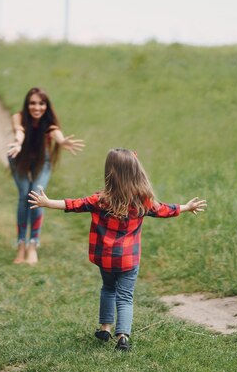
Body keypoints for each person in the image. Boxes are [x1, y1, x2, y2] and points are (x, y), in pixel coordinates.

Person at [28, 148, 207, 351]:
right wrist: (186, 207)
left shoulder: (101, 200)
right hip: (128, 260)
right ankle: (122, 336)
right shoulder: (143, 201)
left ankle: (105, 328)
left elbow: (73, 204)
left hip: (105, 258)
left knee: (108, 289)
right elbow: (165, 210)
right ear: (136, 171)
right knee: (125, 297)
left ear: (109, 172)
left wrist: (47, 202)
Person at [7, 87, 85, 265]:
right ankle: (21, 244)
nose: (37, 107)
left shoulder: (48, 122)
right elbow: (20, 131)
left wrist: (62, 141)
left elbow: (55, 132)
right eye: (32, 103)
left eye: (41, 103)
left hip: (43, 161)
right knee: (24, 196)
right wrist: (18, 143)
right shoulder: (18, 117)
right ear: (27, 105)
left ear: (46, 105)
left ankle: (33, 244)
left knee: (36, 195)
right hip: (17, 156)